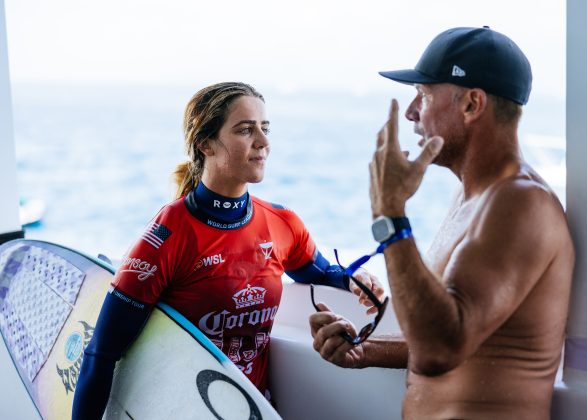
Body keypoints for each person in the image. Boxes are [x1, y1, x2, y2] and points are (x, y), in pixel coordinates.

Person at [71, 82, 383, 419]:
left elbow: (321, 271)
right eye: (246, 130)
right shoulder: (168, 234)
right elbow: (101, 353)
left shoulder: (282, 224)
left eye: (265, 129)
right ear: (205, 143)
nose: (263, 142)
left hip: (251, 409)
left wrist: (354, 279)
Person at [309, 27, 574, 419]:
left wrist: (390, 214)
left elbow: (440, 350)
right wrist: (366, 349)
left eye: (426, 95)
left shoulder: (522, 203)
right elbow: (448, 329)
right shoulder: (474, 198)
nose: (414, 112)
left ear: (471, 104)